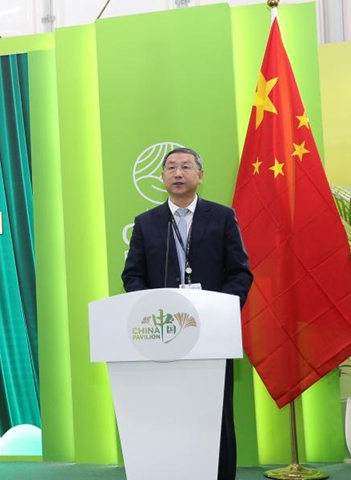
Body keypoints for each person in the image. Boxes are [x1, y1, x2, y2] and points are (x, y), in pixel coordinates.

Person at [121, 146, 253, 480]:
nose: (178, 173)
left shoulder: (222, 217)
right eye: (171, 168)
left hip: (212, 333)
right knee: (168, 410)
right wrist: (150, 311)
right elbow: (132, 275)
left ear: (200, 175)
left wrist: (221, 310)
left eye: (186, 167)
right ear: (163, 176)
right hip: (162, 334)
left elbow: (240, 273)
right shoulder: (147, 222)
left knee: (215, 412)